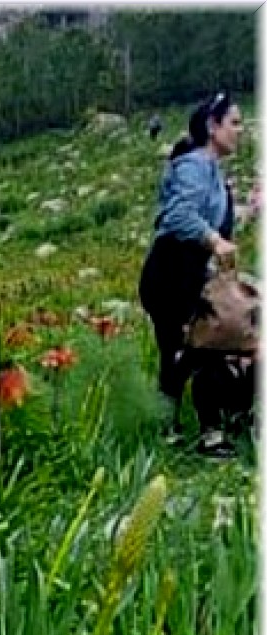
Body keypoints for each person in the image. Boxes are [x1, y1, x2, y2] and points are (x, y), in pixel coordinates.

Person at [137, 91, 242, 457]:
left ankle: (204, 430)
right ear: (212, 127)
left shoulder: (213, 172)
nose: (239, 131)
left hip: (192, 271)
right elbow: (178, 216)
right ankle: (174, 429)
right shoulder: (194, 165)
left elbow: (210, 217)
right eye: (234, 123)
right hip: (171, 272)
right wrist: (214, 241)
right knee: (180, 350)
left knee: (207, 346)